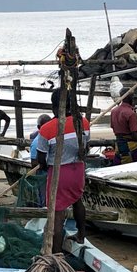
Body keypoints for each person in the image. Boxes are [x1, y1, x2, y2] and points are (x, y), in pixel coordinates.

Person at [36, 88, 90, 253]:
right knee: (77, 200)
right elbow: (85, 149)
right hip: (78, 169)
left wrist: (45, 167)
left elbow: (41, 159)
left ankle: (56, 254)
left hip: (59, 172)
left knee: (57, 214)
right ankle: (81, 234)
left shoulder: (46, 129)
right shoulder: (83, 122)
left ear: (54, 107)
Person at [110, 88, 137, 165]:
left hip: (119, 145)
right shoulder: (130, 113)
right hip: (131, 147)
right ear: (130, 97)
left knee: (118, 167)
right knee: (136, 168)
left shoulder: (114, 111)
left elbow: (113, 127)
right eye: (133, 96)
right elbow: (135, 135)